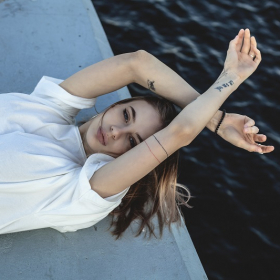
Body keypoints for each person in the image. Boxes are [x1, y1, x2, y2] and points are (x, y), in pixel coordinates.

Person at [0, 28, 274, 237]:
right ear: (117, 104)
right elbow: (136, 64)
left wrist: (231, 77)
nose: (117, 131)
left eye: (133, 141)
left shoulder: (81, 190)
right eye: (126, 115)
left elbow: (181, 132)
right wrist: (216, 118)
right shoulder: (50, 108)